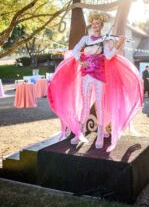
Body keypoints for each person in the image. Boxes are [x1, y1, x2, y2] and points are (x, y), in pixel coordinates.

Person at [48, 12, 143, 152]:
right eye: (93, 23)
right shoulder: (85, 39)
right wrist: (80, 61)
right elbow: (75, 51)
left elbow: (109, 56)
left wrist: (119, 44)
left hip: (100, 76)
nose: (95, 25)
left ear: (101, 26)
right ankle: (79, 132)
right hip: (86, 75)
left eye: (97, 23)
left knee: (99, 104)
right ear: (91, 25)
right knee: (85, 104)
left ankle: (100, 134)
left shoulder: (105, 40)